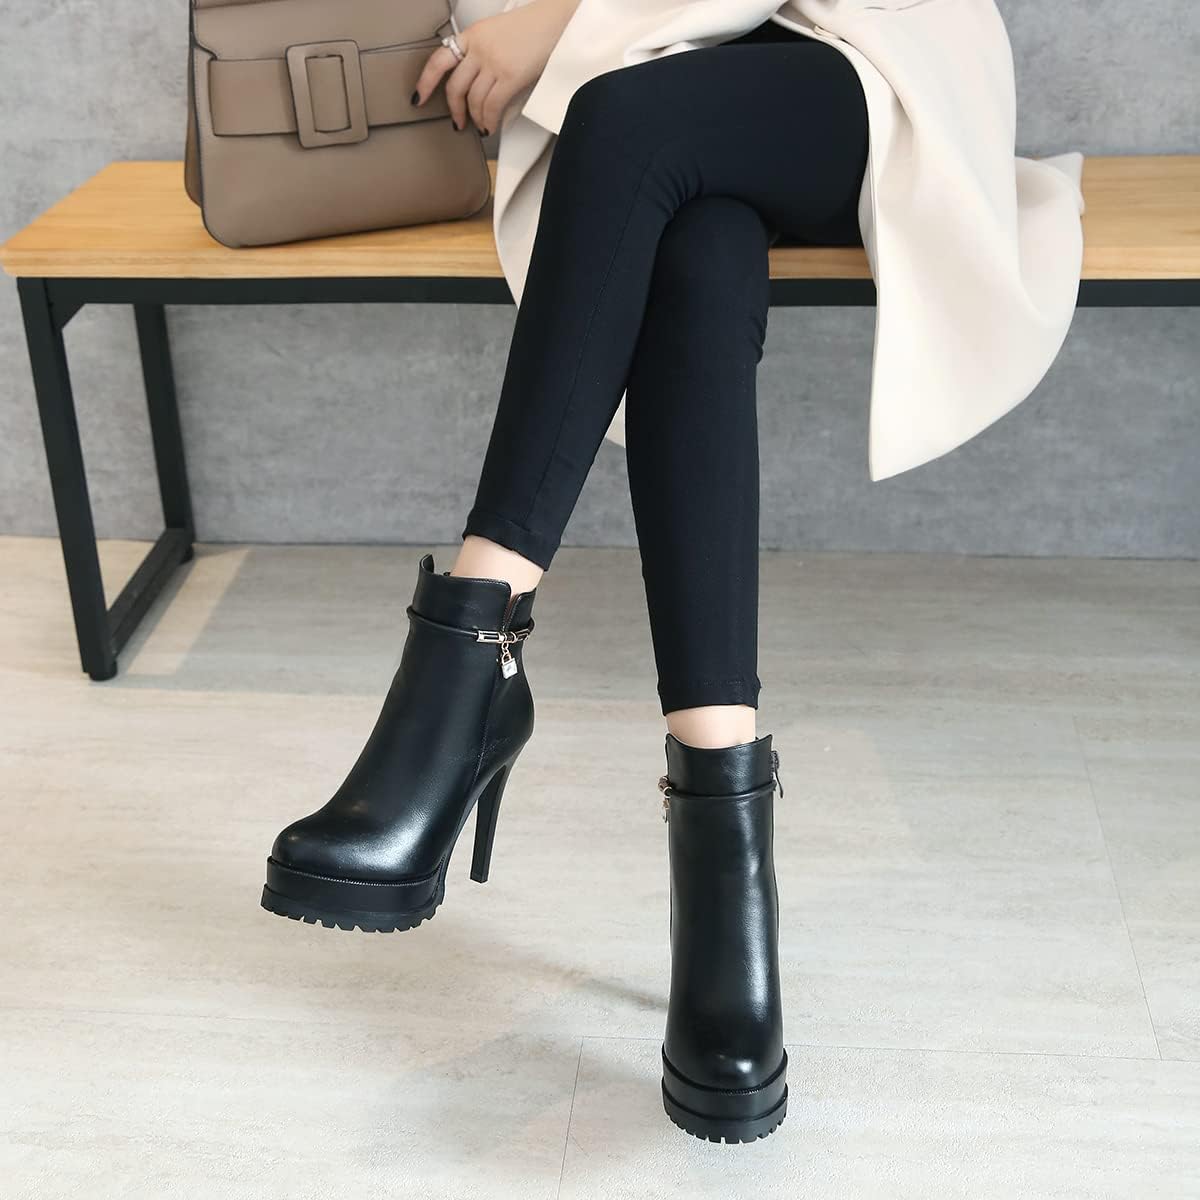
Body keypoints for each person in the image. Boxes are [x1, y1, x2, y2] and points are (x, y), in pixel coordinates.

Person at [257, 0, 1078, 1145]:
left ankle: (474, 651)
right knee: (696, 249)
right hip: (663, 66)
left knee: (630, 121)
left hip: (858, 57)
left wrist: (552, 22)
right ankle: (723, 870)